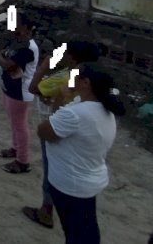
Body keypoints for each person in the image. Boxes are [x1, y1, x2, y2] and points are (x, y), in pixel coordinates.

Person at [37, 63, 126, 244]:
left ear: (85, 83)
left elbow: (44, 132)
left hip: (69, 183)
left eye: (75, 77)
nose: (71, 79)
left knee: (76, 233)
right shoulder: (104, 102)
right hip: (88, 179)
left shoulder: (76, 114)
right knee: (86, 227)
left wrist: (59, 99)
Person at [22, 40, 100, 229]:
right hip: (84, 134)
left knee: (51, 169)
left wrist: (45, 65)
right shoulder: (95, 80)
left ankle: (46, 211)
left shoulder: (67, 77)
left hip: (60, 127)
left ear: (72, 58)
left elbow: (33, 88)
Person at [0, 14, 39, 173]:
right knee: (14, 122)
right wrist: (2, 57)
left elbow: (9, 65)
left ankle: (23, 161)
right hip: (10, 88)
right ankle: (15, 149)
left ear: (26, 28)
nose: (12, 26)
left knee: (20, 125)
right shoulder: (17, 41)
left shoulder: (28, 48)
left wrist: (0, 56)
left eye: (17, 24)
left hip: (20, 92)